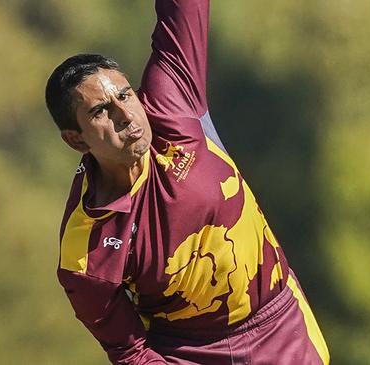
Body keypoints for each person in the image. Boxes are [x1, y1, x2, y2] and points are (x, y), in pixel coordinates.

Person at [45, 1, 329, 364]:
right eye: (100, 111)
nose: (125, 115)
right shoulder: (86, 254)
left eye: (125, 95)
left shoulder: (172, 106)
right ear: (76, 139)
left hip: (281, 326)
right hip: (192, 355)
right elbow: (131, 353)